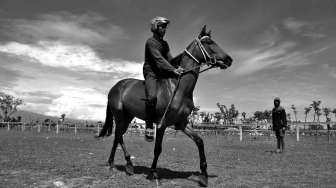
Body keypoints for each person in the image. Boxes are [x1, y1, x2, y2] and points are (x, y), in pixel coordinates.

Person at [143, 16, 184, 142]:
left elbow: (170, 59)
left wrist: (183, 59)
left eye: (165, 27)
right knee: (152, 97)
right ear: (155, 27)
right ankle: (149, 127)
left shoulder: (165, 44)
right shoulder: (150, 42)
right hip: (151, 73)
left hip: (162, 72)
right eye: (162, 26)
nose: (164, 29)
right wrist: (172, 70)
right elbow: (159, 60)